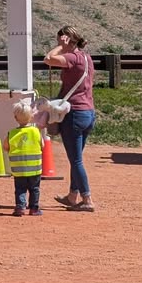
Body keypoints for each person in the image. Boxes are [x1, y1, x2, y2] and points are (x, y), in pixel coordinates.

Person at [44, 25, 96, 213]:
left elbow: (48, 59)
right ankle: (73, 195)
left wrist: (60, 46)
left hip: (74, 113)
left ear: (67, 40)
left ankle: (87, 199)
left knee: (76, 161)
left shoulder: (73, 58)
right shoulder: (87, 58)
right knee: (77, 159)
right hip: (88, 112)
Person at [6, 101, 43, 216]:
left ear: (15, 118)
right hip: (35, 169)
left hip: (19, 169)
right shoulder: (36, 131)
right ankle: (34, 208)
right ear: (31, 116)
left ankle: (20, 207)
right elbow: (42, 145)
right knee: (34, 188)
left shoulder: (12, 133)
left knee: (20, 188)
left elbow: (5, 146)